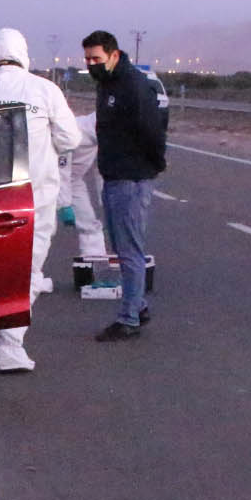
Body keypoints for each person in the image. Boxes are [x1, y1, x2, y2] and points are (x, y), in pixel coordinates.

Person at [0, 27, 82, 372]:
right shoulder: (44, 90)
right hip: (33, 197)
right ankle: (8, 346)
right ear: (24, 52)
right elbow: (70, 138)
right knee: (26, 270)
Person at [81, 30, 166, 341]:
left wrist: (152, 165)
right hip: (114, 175)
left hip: (130, 178)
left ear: (114, 54)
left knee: (130, 251)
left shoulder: (132, 85)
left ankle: (128, 318)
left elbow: (152, 130)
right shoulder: (107, 85)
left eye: (97, 59)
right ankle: (138, 305)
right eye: (88, 59)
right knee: (120, 247)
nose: (92, 65)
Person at [59, 111, 106, 259]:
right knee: (42, 228)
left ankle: (95, 265)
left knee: (89, 224)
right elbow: (61, 170)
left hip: (74, 181)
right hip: (46, 180)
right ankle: (30, 276)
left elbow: (103, 169)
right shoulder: (71, 132)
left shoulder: (101, 138)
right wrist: (64, 204)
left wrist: (106, 202)